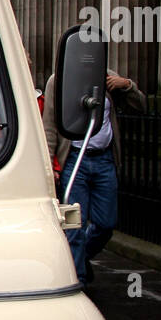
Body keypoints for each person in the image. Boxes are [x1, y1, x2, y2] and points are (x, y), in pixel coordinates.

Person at [42, 66, 146, 284]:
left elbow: (140, 106)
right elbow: (50, 125)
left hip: (104, 160)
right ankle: (78, 280)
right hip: (74, 159)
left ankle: (75, 260)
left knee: (106, 224)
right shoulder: (58, 81)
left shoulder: (107, 77)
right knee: (75, 226)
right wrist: (50, 164)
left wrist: (127, 85)